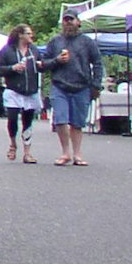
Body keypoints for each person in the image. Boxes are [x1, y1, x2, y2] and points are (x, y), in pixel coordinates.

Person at [45, 10, 104, 166]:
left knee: (77, 123)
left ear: (78, 22)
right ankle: (65, 153)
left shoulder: (87, 42)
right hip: (59, 85)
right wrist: (57, 60)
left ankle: (77, 154)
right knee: (60, 119)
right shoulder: (55, 42)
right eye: (65, 20)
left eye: (71, 20)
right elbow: (43, 64)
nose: (68, 23)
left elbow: (97, 63)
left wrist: (96, 85)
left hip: (81, 86)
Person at [0, 24, 43, 164]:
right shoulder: (7, 51)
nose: (31, 36)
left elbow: (42, 64)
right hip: (13, 91)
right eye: (28, 33)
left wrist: (43, 65)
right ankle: (13, 143)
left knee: (28, 121)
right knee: (12, 119)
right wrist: (12, 68)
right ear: (20, 35)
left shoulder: (34, 50)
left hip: (30, 91)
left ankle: (27, 152)